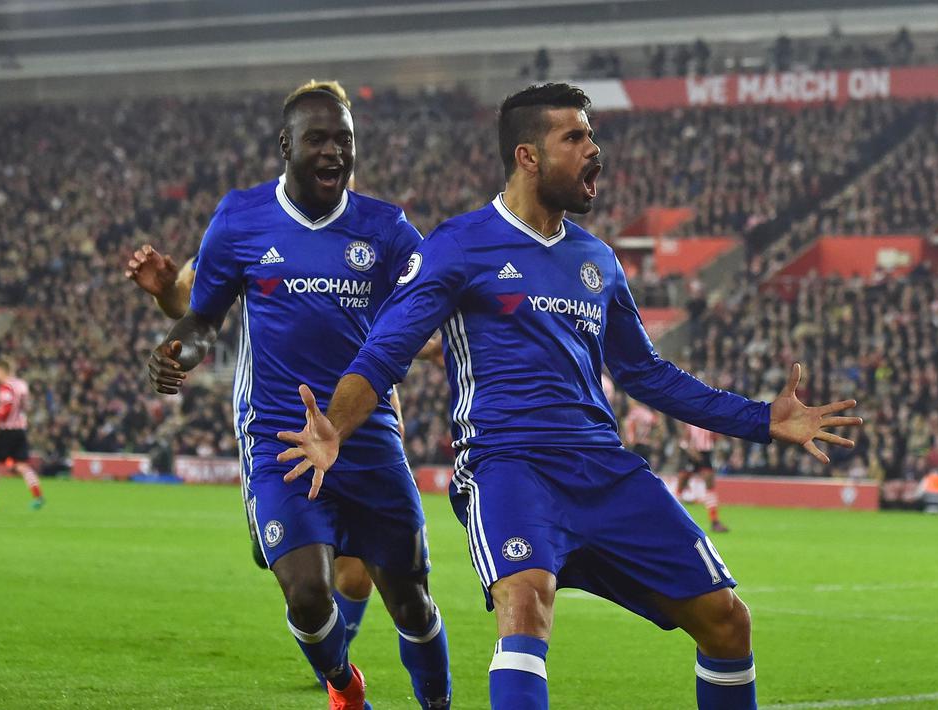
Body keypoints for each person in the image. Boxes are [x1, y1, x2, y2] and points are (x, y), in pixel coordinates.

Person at [276, 83, 864, 709]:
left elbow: (646, 374)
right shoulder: (459, 245)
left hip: (604, 469)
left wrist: (760, 419)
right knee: (525, 602)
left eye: (592, 135)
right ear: (528, 156)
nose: (595, 151)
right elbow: (385, 351)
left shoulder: (598, 261)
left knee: (728, 621)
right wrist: (337, 424)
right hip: (508, 464)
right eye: (576, 137)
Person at [145, 80, 451, 709]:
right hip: (280, 439)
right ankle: (344, 687)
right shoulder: (241, 217)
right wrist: (182, 348)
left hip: (367, 440)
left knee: (412, 599)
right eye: (318, 138)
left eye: (345, 139)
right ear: (285, 144)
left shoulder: (387, 229)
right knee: (309, 593)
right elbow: (204, 317)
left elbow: (434, 312)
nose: (334, 151)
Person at [126, 241, 377, 689]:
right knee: (300, 578)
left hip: (357, 418)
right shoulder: (249, 225)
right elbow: (188, 303)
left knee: (358, 575)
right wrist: (165, 293)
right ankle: (334, 665)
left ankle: (336, 672)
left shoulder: (375, 233)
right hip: (277, 425)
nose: (337, 169)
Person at [0, 357, 44, 510]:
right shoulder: (22, 384)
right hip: (20, 429)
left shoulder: (6, 387)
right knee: (22, 466)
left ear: (1, 371)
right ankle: (38, 496)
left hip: (7, 430)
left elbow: (7, 408)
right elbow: (26, 406)